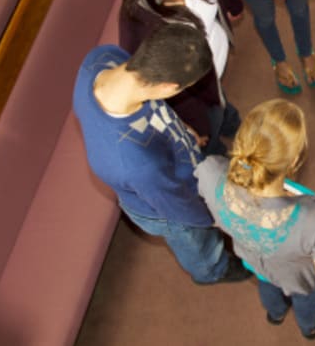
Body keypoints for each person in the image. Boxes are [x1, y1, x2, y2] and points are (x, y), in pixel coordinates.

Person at [73, 23, 250, 285]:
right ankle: (214, 269)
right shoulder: (136, 163)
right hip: (168, 208)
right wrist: (214, 218)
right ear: (169, 87)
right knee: (196, 242)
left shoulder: (102, 59)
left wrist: (179, 127)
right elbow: (180, 206)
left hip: (168, 174)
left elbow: (152, 103)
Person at [195, 99, 315, 339]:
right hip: (296, 277)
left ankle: (276, 312)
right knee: (306, 297)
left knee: (267, 283)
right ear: (293, 162)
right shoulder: (314, 219)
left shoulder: (209, 171)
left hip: (254, 260)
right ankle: (309, 327)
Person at [120, 0, 243, 156]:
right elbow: (166, 89)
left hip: (213, 79)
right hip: (197, 95)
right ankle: (218, 150)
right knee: (212, 127)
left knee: (223, 104)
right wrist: (196, 126)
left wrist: (233, 3)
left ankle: (231, 122)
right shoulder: (146, 29)